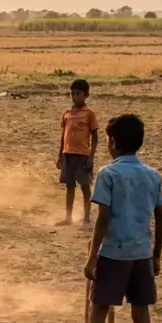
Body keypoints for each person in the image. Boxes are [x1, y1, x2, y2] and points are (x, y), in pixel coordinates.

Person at [72, 114, 162, 323]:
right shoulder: (152, 175)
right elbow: (160, 217)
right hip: (142, 254)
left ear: (111, 142)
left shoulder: (108, 174)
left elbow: (103, 219)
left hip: (113, 254)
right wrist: (157, 255)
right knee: (141, 315)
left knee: (98, 310)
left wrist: (91, 258)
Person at [57, 79, 99, 230]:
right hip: (68, 153)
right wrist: (59, 155)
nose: (75, 96)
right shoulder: (67, 113)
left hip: (82, 155)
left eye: (78, 93)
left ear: (86, 95)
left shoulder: (89, 114)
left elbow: (95, 137)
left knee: (85, 187)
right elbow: (64, 135)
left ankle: (86, 219)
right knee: (69, 186)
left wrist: (91, 157)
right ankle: (68, 217)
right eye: (72, 94)